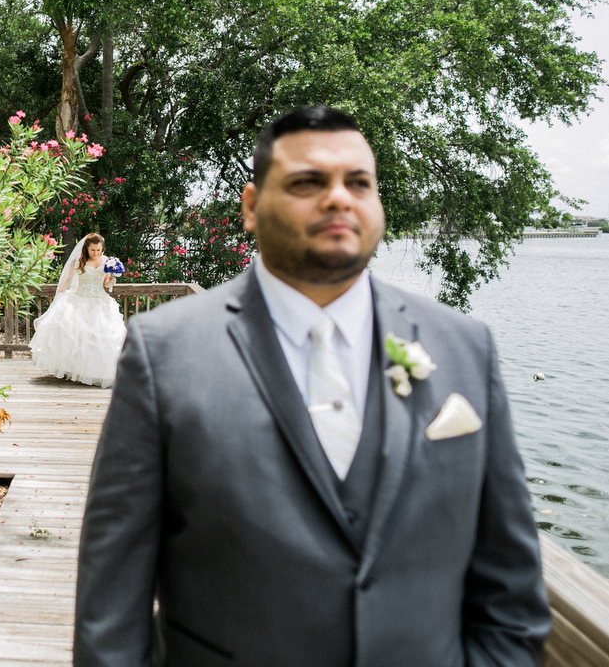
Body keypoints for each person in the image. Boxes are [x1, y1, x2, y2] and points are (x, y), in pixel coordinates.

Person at [74, 106, 550, 666]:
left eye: (359, 183)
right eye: (307, 182)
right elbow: (112, 602)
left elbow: (511, 594)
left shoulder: (466, 348)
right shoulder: (164, 352)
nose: (338, 198)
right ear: (251, 207)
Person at [30, 233, 127, 388]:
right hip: (79, 299)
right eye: (93, 250)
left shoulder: (108, 261)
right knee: (76, 336)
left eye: (98, 250)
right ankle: (75, 371)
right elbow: (66, 279)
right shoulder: (80, 261)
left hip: (99, 301)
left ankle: (95, 372)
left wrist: (113, 278)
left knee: (100, 337)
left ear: (103, 249)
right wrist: (59, 298)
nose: (96, 253)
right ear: (86, 249)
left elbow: (106, 284)